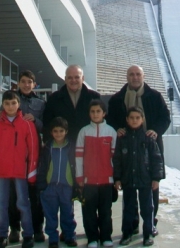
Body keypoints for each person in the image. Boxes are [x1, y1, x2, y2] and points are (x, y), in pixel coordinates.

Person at [107, 65, 170, 236]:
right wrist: (117, 128)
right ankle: (132, 224)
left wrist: (156, 130)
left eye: (138, 74)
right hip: (127, 151)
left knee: (152, 188)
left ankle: (151, 223)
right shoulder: (117, 99)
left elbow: (165, 118)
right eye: (131, 74)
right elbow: (110, 119)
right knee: (129, 192)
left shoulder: (155, 97)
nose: (135, 77)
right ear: (127, 76)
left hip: (149, 149)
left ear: (143, 76)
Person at [0, 70, 46, 243]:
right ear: (19, 83)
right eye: (23, 81)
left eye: (29, 82)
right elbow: (2, 120)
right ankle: (14, 228)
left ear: (34, 84)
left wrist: (35, 121)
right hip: (12, 158)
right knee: (13, 197)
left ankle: (36, 228)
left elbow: (47, 125)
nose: (26, 84)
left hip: (33, 155)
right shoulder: (11, 99)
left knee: (34, 194)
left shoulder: (41, 103)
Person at [0, 90, 39, 248]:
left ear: (19, 104)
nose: (10, 106)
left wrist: (32, 172)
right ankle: (2, 235)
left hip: (21, 172)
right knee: (2, 204)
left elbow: (33, 149)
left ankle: (28, 235)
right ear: (3, 104)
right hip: (2, 171)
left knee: (23, 203)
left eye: (13, 103)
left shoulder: (27, 124)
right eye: (7, 103)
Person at [113, 107, 164, 247]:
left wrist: (156, 178)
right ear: (127, 120)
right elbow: (117, 159)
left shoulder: (148, 138)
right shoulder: (122, 138)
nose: (134, 120)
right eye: (131, 118)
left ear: (142, 119)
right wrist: (117, 178)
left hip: (145, 180)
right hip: (128, 179)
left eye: (137, 117)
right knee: (128, 208)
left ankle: (147, 234)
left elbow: (156, 159)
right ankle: (127, 233)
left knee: (147, 208)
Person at [75, 100, 117, 248]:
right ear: (89, 114)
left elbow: (115, 158)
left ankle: (106, 237)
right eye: (92, 111)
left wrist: (115, 178)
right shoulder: (84, 131)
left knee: (106, 211)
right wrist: (80, 178)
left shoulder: (111, 131)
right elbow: (79, 157)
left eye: (98, 111)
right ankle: (92, 238)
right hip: (88, 181)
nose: (95, 114)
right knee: (89, 212)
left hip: (106, 180)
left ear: (104, 113)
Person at [36, 117, 78, 248]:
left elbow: (76, 165)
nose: (58, 134)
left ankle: (69, 235)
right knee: (50, 213)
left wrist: (76, 184)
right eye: (55, 131)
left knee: (68, 213)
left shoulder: (71, 146)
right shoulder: (47, 148)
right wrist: (42, 185)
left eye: (61, 131)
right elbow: (42, 167)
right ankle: (53, 238)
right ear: (51, 132)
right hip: (51, 187)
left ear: (66, 131)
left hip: (67, 186)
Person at [42, 64, 100, 144]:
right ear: (65, 79)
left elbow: (101, 121)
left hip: (89, 144)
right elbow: (47, 123)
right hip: (63, 146)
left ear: (83, 78)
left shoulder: (94, 97)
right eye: (70, 77)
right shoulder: (54, 98)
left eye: (77, 77)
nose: (73, 80)